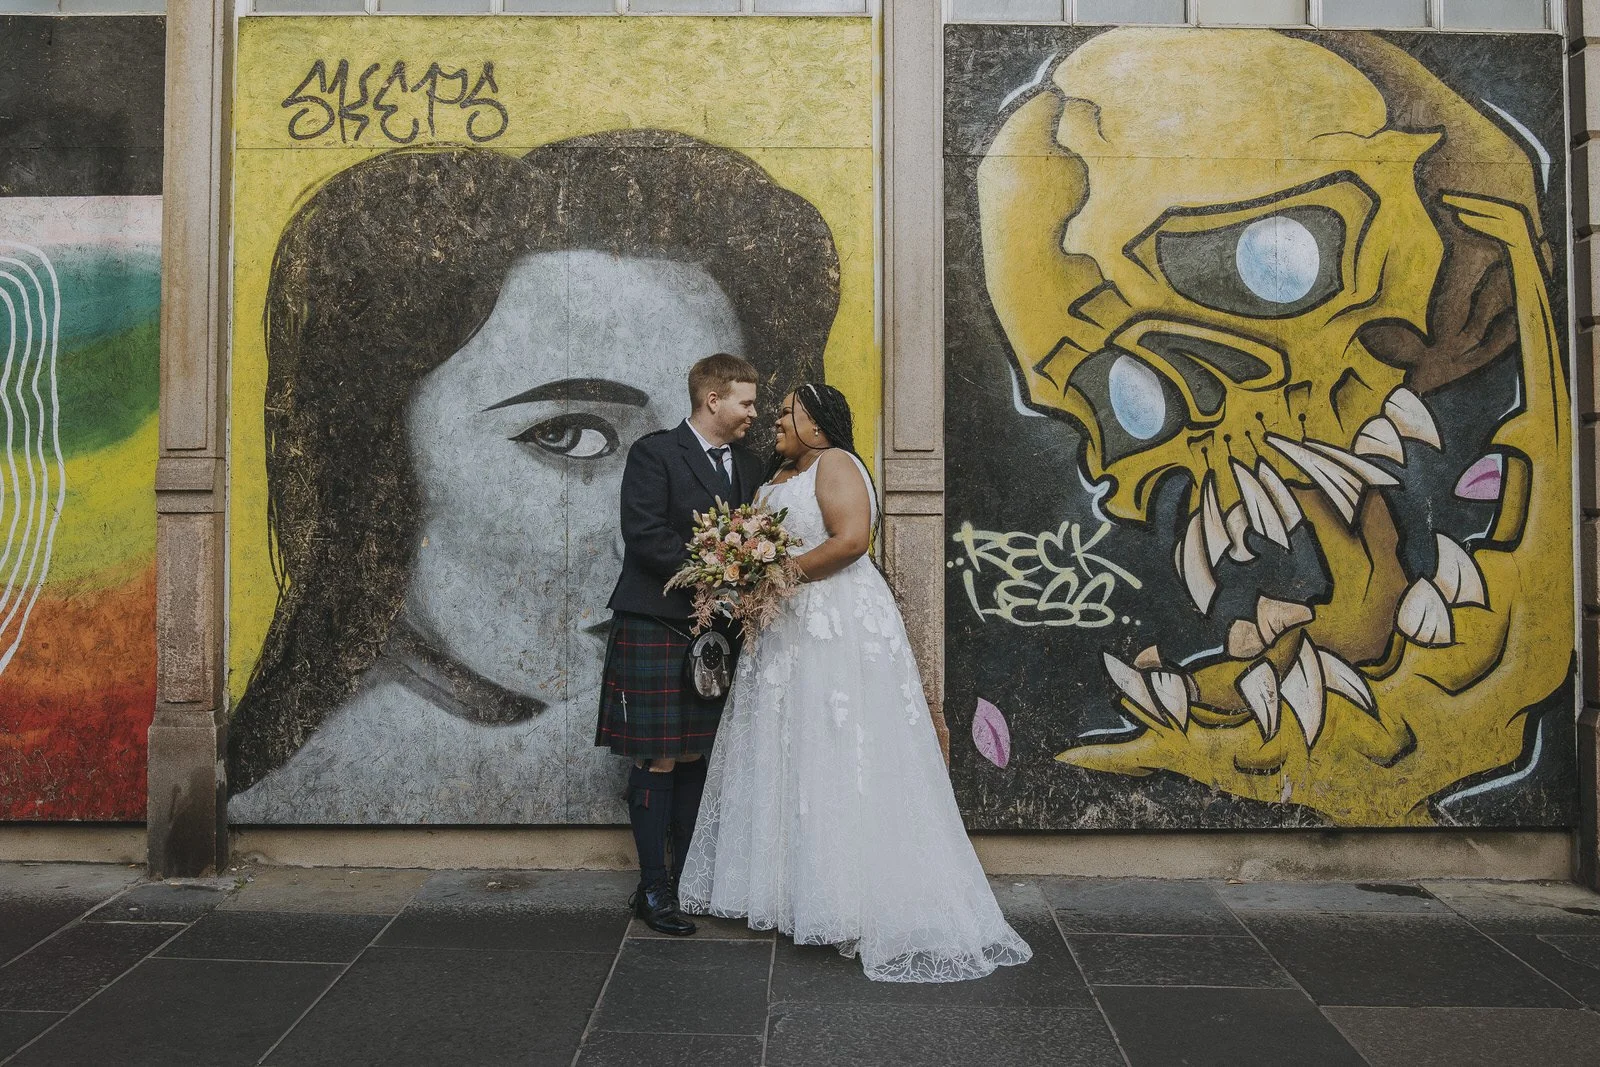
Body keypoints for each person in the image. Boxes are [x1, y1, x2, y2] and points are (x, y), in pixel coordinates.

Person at [226, 133, 838, 824]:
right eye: (571, 436)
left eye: (716, 438)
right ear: (376, 454)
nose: (677, 529)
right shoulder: (329, 792)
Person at [679, 383, 1033, 981]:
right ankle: (796, 895)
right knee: (791, 749)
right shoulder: (772, 481)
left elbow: (850, 541)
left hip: (833, 624)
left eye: (788, 414)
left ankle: (852, 897)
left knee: (841, 747)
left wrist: (776, 575)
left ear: (817, 424)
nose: (777, 424)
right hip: (785, 630)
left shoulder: (836, 464)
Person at [596, 353, 767, 935]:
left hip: (715, 634)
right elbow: (645, 534)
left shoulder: (747, 465)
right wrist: (715, 571)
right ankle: (652, 888)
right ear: (713, 399)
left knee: (698, 754)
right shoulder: (656, 453)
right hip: (658, 622)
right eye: (745, 401)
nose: (753, 413)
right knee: (659, 754)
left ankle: (688, 878)